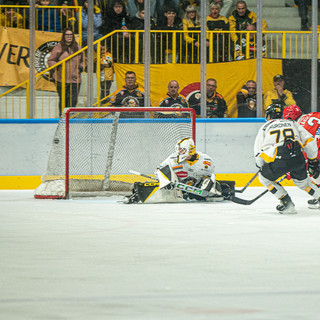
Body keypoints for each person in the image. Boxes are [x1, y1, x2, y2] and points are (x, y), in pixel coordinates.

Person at [254, 103, 320, 214]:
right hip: (297, 158)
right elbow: (310, 141)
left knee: (264, 178)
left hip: (279, 161)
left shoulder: (265, 127)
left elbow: (258, 152)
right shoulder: (293, 123)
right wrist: (312, 160)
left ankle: (287, 203)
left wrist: (261, 166)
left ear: (269, 116)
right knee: (303, 182)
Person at [124, 137, 232, 203]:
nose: (180, 152)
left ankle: (217, 192)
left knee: (209, 186)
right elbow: (158, 170)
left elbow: (211, 175)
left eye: (183, 149)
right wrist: (166, 180)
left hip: (196, 189)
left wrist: (207, 184)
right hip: (177, 189)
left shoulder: (206, 160)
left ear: (191, 149)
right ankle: (138, 194)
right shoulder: (173, 159)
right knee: (165, 174)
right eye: (179, 149)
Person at [48, 28, 86, 116]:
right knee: (63, 99)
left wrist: (81, 67)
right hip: (61, 78)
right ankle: (63, 118)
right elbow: (50, 60)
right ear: (64, 36)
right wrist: (58, 65)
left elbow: (84, 59)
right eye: (67, 35)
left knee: (73, 100)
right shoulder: (58, 46)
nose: (69, 37)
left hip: (75, 78)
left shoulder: (78, 47)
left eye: (70, 35)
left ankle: (71, 118)